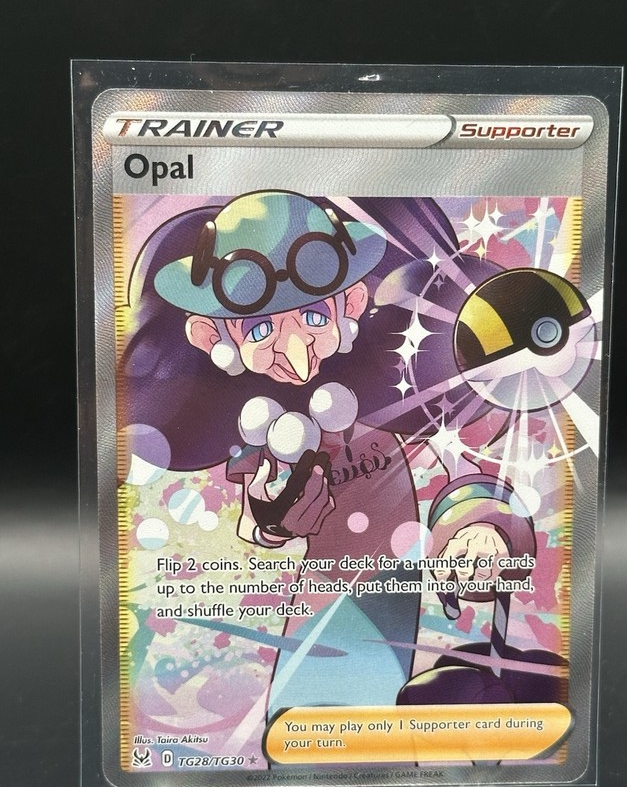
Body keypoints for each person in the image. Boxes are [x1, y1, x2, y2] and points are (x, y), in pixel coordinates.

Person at [124, 191, 557, 715]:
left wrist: (478, 526)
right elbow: (254, 525)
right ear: (209, 335)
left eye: (312, 318)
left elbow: (462, 469)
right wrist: (274, 520)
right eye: (260, 329)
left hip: (396, 581)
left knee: (373, 710)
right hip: (321, 593)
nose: (295, 352)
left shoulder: (392, 386)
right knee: (311, 717)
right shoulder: (257, 421)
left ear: (350, 305)